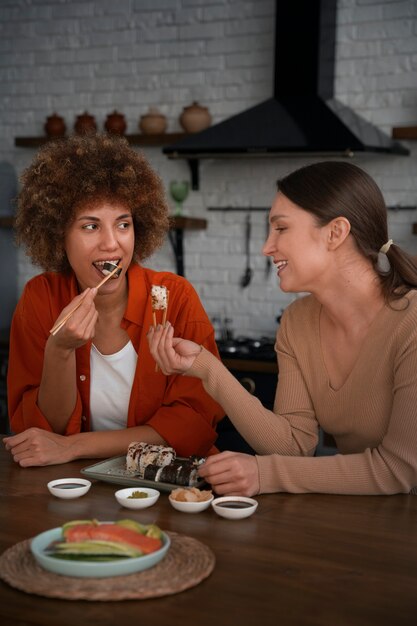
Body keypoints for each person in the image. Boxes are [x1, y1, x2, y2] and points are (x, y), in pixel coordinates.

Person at [148, 160, 417, 496]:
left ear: (336, 232)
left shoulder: (411, 323)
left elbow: (399, 470)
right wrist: (206, 368)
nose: (267, 247)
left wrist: (266, 474)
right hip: (368, 520)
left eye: (281, 228)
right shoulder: (297, 321)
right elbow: (292, 444)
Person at [4, 133, 224, 467]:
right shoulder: (41, 298)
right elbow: (40, 432)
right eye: (90, 226)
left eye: (123, 224)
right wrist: (59, 350)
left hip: (173, 485)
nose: (111, 244)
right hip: (78, 488)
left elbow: (193, 425)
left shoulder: (175, 297)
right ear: (57, 234)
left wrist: (75, 447)